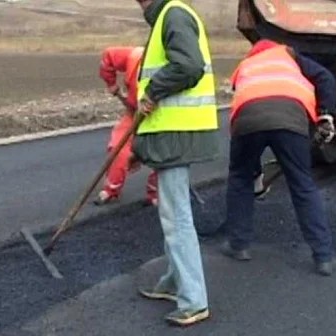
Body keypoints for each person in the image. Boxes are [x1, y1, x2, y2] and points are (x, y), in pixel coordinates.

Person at [131, 0, 218, 327]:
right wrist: (140, 147)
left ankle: (194, 300)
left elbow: (189, 66)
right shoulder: (165, 18)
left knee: (177, 216)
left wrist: (152, 91)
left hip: (178, 134)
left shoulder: (174, 15)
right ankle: (172, 281)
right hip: (170, 134)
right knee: (170, 211)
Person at [223, 39, 336, 276]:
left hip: (248, 121)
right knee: (303, 185)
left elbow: (245, 101)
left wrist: (254, 173)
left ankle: (239, 245)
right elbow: (326, 78)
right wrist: (325, 115)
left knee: (239, 178)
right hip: (290, 120)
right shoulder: (289, 55)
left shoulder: (245, 66)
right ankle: (323, 256)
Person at [94, 46, 158, 207]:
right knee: (118, 147)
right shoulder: (135, 56)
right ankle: (111, 190)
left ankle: (155, 193)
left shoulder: (175, 63)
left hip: (162, 117)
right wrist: (112, 85)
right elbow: (108, 56)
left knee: (163, 154)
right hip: (134, 112)